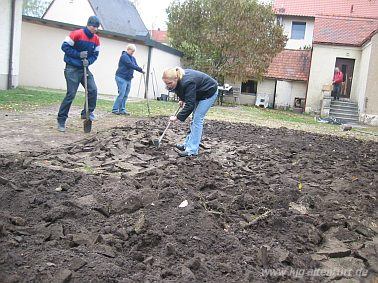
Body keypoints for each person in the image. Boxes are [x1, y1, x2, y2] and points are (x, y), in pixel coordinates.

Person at [57, 16, 101, 132]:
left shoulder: (96, 39)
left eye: (96, 27)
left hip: (84, 68)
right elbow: (64, 47)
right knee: (71, 94)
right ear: (88, 25)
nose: (95, 29)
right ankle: (61, 120)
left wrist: (89, 61)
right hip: (72, 68)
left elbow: (95, 55)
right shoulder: (76, 34)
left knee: (93, 90)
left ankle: (87, 112)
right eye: (93, 26)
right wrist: (78, 55)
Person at [162, 67, 218, 157]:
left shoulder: (188, 82)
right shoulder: (179, 79)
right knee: (194, 119)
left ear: (176, 78)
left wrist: (177, 117)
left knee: (197, 119)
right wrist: (182, 99)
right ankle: (187, 145)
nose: (168, 85)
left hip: (209, 92)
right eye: (166, 83)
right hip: (199, 92)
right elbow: (181, 90)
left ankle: (192, 150)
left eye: (169, 83)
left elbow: (190, 105)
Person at [112, 44, 144, 115]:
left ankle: (122, 110)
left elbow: (136, 66)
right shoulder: (124, 56)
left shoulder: (133, 58)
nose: (132, 52)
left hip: (128, 79)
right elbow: (130, 65)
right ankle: (115, 109)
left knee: (125, 95)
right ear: (128, 49)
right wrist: (140, 69)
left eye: (133, 51)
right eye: (132, 51)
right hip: (121, 77)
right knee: (121, 94)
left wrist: (141, 70)